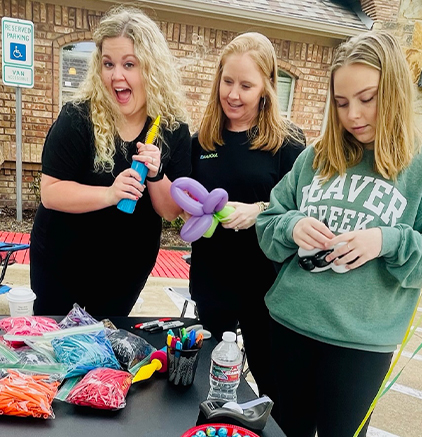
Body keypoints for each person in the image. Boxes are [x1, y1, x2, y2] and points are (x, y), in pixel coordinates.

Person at [255, 31, 422, 436]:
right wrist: (293, 226)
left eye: (367, 98)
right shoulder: (317, 156)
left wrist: (386, 241)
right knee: (283, 432)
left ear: (394, 91)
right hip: (288, 325)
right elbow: (269, 221)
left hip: (360, 346)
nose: (353, 114)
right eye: (341, 102)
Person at [30, 6, 191, 317]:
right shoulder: (77, 117)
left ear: (151, 68)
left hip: (125, 268)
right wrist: (109, 194)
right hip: (62, 262)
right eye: (108, 64)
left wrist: (156, 175)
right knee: (54, 350)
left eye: (129, 64)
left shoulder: (172, 129)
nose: (117, 75)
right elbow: (50, 193)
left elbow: (172, 211)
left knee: (104, 350)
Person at [188, 32, 305, 397]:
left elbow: (305, 209)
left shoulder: (289, 143)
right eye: (227, 82)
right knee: (208, 380)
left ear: (266, 88)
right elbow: (186, 203)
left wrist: (258, 211)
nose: (233, 95)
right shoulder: (202, 140)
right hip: (212, 280)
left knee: (272, 383)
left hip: (266, 285)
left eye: (246, 85)